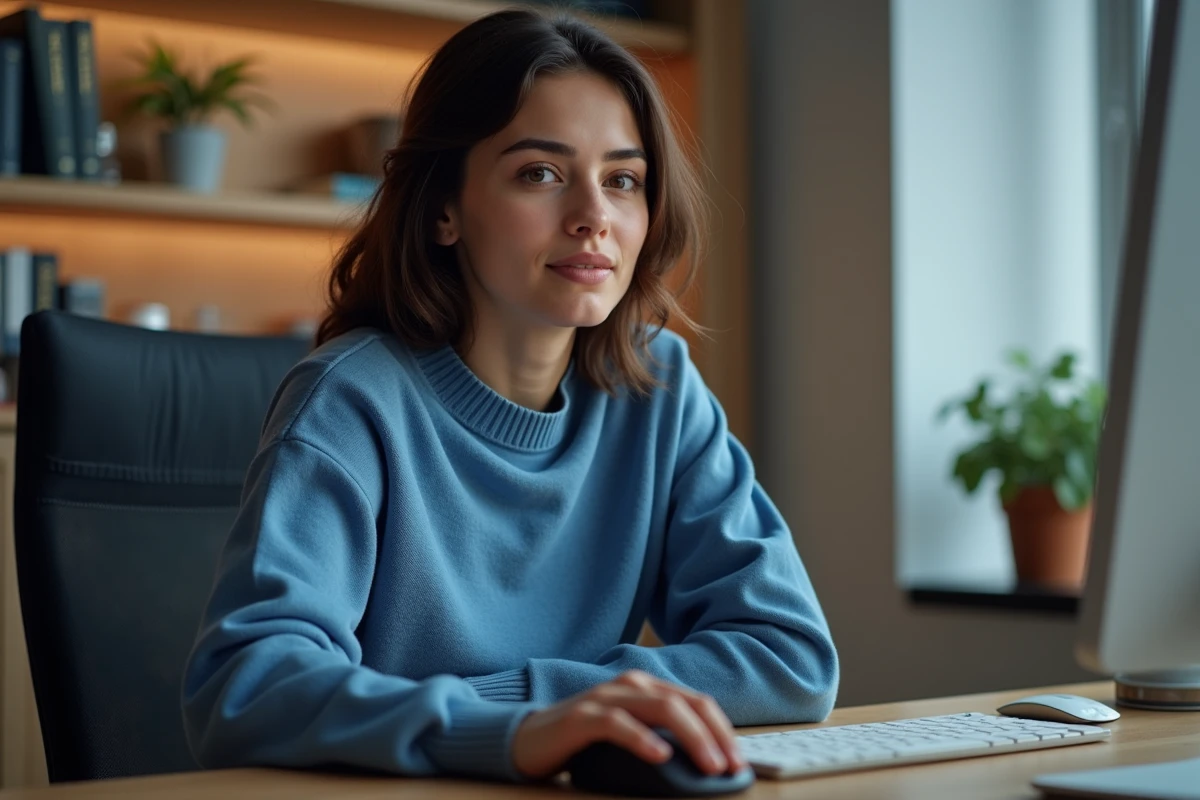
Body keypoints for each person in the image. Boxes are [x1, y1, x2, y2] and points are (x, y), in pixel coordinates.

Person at [181, 7, 838, 785]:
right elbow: (246, 688)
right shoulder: (350, 401)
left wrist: (554, 710)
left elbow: (789, 655)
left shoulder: (658, 386)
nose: (594, 217)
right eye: (541, 173)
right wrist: (517, 726)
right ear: (443, 208)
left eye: (623, 179)